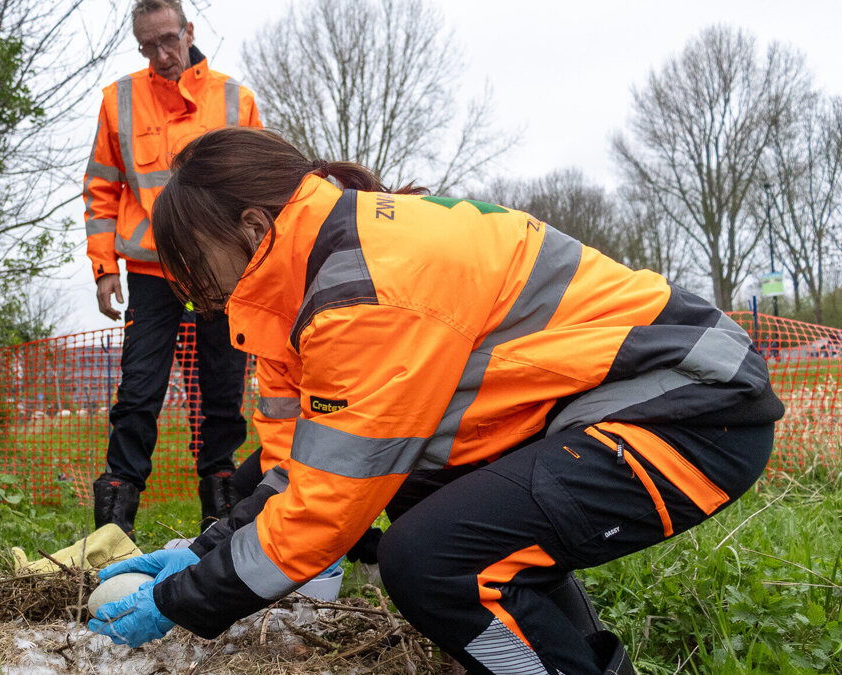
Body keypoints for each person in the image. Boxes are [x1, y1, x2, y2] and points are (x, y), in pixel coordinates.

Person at [86, 127, 784, 675]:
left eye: (194, 262)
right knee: (425, 499)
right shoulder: (305, 280)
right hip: (626, 405)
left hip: (689, 408)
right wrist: (201, 552)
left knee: (429, 560)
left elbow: (324, 514)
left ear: (249, 226)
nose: (194, 290)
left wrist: (181, 598)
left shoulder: (359, 292)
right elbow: (300, 470)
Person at [83, 0, 262, 536]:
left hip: (221, 272)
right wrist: (104, 267)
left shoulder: (235, 99)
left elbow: (258, 191)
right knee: (138, 391)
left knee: (223, 391)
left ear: (188, 31)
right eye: (148, 45)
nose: (161, 54)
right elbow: (101, 188)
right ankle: (115, 523)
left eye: (168, 39)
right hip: (151, 272)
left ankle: (221, 514)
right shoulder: (118, 100)